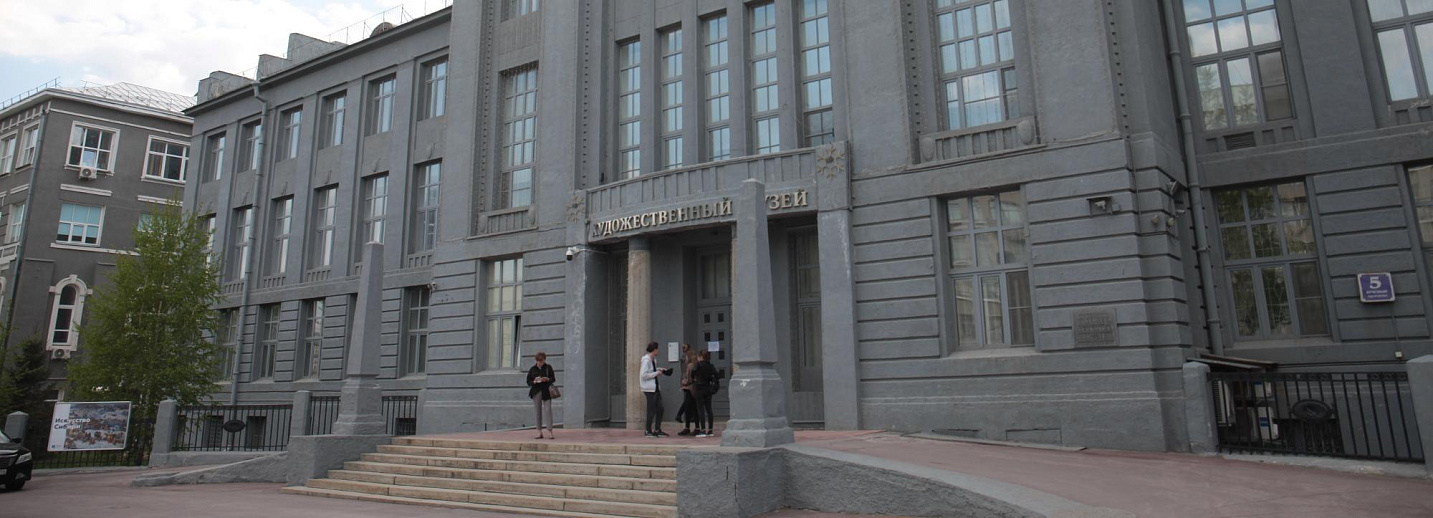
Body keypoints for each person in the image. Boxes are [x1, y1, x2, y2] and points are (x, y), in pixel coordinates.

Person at [640, 341, 672, 438]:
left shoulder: (653, 360)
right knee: (651, 409)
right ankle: (648, 430)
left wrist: (659, 369)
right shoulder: (646, 360)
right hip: (649, 389)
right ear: (654, 349)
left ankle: (657, 429)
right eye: (657, 349)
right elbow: (643, 375)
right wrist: (656, 373)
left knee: (660, 408)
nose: (658, 350)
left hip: (655, 387)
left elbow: (651, 370)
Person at [526, 352, 556, 440]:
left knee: (548, 410)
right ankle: (539, 432)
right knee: (537, 412)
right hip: (536, 391)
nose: (540, 363)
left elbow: (553, 379)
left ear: (544, 360)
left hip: (546, 391)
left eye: (542, 361)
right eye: (539, 361)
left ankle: (550, 431)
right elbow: (528, 381)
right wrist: (534, 381)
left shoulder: (548, 367)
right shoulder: (532, 369)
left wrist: (547, 379)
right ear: (536, 361)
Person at [690, 350, 718, 438]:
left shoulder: (698, 365)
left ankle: (702, 429)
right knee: (709, 409)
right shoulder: (711, 365)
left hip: (699, 388)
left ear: (701, 356)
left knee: (700, 409)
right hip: (708, 388)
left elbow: (693, 373)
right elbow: (716, 375)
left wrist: (695, 378)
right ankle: (710, 429)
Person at [677, 344, 698, 436]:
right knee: (690, 406)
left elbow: (688, 377)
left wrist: (684, 383)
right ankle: (689, 426)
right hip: (691, 387)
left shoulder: (690, 365)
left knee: (689, 405)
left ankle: (689, 426)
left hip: (689, 387)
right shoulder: (686, 361)